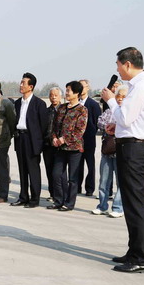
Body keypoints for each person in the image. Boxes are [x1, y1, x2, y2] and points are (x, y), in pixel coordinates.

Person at [100, 47, 144, 273]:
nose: (117, 70)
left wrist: (111, 101)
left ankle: (140, 258)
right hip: (133, 146)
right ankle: (134, 250)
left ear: (127, 64)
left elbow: (126, 117)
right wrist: (116, 126)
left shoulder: (142, 87)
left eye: (118, 65)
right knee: (130, 202)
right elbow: (132, 120)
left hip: (134, 150)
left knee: (135, 204)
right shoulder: (141, 86)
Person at [49, 81, 88, 211]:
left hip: (74, 149)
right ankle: (58, 200)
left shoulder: (82, 110)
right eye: (66, 90)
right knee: (56, 174)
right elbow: (54, 126)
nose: (66, 93)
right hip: (60, 148)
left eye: (68, 91)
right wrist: (54, 138)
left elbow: (79, 131)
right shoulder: (61, 108)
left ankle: (69, 203)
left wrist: (64, 139)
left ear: (76, 93)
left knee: (72, 178)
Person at [11, 73, 49, 208]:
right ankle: (23, 197)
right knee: (22, 170)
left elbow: (43, 126)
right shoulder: (17, 103)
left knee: (33, 171)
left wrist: (39, 142)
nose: (21, 85)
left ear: (31, 87)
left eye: (23, 83)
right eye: (21, 82)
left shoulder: (39, 104)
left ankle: (34, 199)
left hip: (32, 140)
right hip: (20, 138)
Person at [93, 85, 127, 218]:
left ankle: (118, 207)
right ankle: (102, 206)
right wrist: (107, 127)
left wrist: (116, 127)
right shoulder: (110, 110)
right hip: (107, 150)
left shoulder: (127, 112)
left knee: (120, 181)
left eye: (123, 96)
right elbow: (100, 121)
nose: (120, 99)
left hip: (121, 151)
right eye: (118, 96)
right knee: (104, 180)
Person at [78, 79, 102, 196]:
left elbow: (97, 121)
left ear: (88, 88)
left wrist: (91, 132)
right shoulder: (75, 103)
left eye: (83, 86)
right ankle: (76, 187)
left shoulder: (93, 104)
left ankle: (89, 188)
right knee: (77, 165)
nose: (81, 88)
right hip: (76, 140)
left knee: (90, 165)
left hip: (88, 139)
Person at [42, 87, 63, 200]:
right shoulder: (46, 111)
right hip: (47, 145)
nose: (53, 97)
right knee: (49, 170)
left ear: (60, 97)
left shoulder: (64, 110)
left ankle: (60, 194)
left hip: (59, 146)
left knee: (58, 172)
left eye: (56, 95)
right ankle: (52, 194)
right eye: (51, 95)